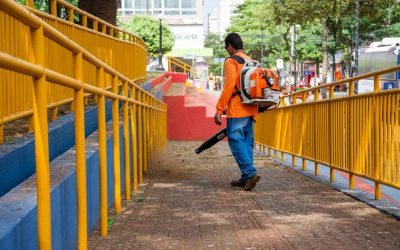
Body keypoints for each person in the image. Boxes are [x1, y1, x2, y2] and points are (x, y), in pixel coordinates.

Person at [213, 33, 260, 191]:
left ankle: (249, 172)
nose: (227, 50)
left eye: (227, 48)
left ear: (230, 46)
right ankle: (247, 178)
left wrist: (220, 109)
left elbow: (229, 85)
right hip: (251, 107)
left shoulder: (231, 61)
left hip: (238, 108)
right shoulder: (249, 60)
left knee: (235, 139)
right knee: (246, 141)